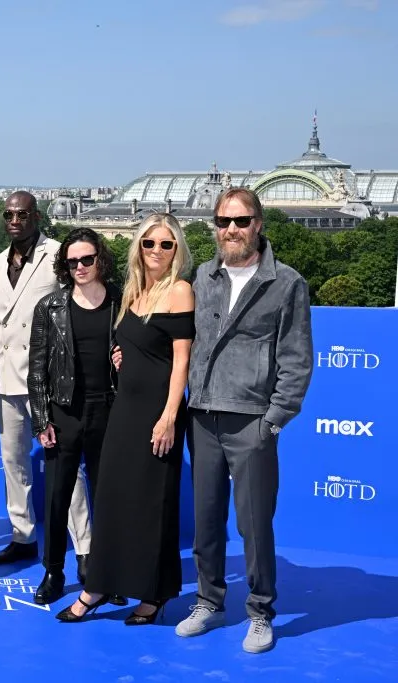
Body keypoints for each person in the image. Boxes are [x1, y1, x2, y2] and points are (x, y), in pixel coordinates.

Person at [176, 188, 313, 654]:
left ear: (259, 223)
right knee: (206, 521)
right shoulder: (201, 276)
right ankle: (209, 601)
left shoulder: (286, 283)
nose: (230, 229)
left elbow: (296, 362)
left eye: (240, 220)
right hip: (202, 415)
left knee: (254, 523)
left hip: (251, 420)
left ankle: (260, 611)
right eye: (222, 221)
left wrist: (272, 422)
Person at [58, 213, 194, 625]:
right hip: (125, 410)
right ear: (138, 247)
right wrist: (122, 357)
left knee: (153, 505)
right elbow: (137, 348)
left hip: (157, 410)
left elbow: (181, 362)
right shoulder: (135, 292)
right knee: (114, 502)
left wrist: (170, 416)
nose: (156, 251)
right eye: (149, 243)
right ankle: (99, 585)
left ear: (177, 251)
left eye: (166, 244)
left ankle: (154, 595)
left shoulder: (180, 291)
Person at [0, 191, 93, 576]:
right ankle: (22, 535)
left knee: (66, 464)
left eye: (23, 213)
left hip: (49, 378)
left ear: (37, 215)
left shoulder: (58, 255)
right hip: (6, 378)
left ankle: (84, 548)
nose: (15, 220)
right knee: (14, 464)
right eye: (10, 214)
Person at [27, 228, 121, 604]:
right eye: (72, 262)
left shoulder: (122, 301)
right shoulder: (49, 307)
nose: (80, 267)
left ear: (100, 259)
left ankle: (106, 572)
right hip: (64, 411)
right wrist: (40, 420)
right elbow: (36, 369)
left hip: (110, 410)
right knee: (56, 497)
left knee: (107, 497)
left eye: (86, 259)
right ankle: (53, 571)